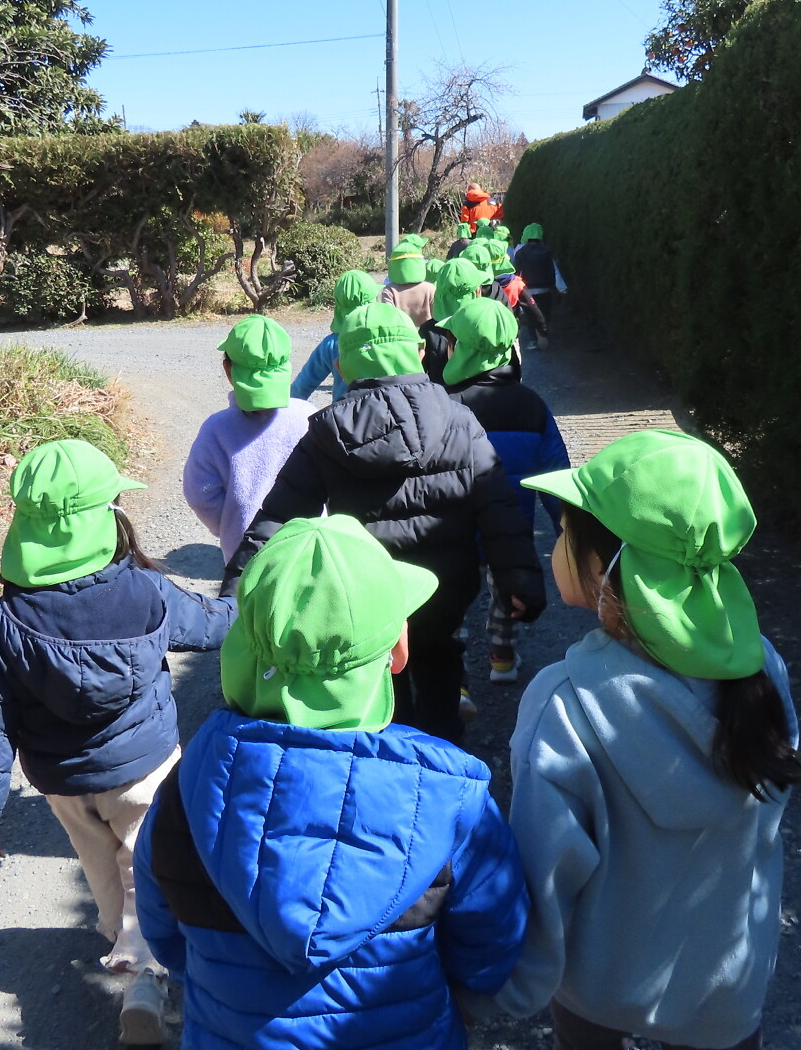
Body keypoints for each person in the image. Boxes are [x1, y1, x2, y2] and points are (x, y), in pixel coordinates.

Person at [135, 515, 528, 1050]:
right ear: (397, 652)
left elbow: (165, 932)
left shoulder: (189, 788)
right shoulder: (448, 795)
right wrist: (463, 994)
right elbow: (492, 937)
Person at [494, 430, 801, 1050]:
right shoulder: (763, 674)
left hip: (600, 969)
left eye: (566, 529)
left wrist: (506, 986)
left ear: (612, 573)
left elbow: (541, 874)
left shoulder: (565, 702)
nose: (554, 540)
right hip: (720, 976)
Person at [0, 438, 235, 1045]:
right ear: (104, 520)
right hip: (144, 768)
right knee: (146, 865)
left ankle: (118, 935)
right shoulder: (146, 591)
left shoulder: (3, 623)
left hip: (64, 784)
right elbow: (213, 627)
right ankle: (144, 974)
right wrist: (246, 600)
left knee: (100, 867)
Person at [223, 301, 545, 744]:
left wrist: (234, 592)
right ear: (419, 353)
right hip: (445, 586)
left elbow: (278, 517)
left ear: (340, 366)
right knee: (441, 660)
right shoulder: (459, 419)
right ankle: (444, 747)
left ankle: (389, 743)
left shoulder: (327, 432)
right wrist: (519, 578)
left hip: (365, 595)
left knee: (378, 673)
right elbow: (498, 505)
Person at [441, 300, 569, 685]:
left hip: (454, 529)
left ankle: (455, 677)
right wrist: (567, 530)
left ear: (461, 349)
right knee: (505, 593)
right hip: (512, 527)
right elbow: (556, 475)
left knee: (453, 598)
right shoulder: (532, 405)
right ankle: (501, 658)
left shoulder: (443, 406)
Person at [182, 315, 313, 564]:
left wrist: (230, 525)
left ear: (228, 370)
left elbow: (199, 495)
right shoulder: (309, 416)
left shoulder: (215, 429)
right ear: (286, 367)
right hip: (308, 550)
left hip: (245, 556)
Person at [290, 269, 378, 406]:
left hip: (344, 414)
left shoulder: (331, 344)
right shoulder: (388, 337)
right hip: (385, 412)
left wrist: (284, 412)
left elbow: (302, 386)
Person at [419, 255, 492, 385]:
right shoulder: (485, 324)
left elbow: (422, 370)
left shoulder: (428, 330)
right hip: (481, 392)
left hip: (441, 394)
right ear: (477, 292)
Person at [481, 238, 548, 349]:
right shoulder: (516, 283)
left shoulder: (478, 285)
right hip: (510, 331)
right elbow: (532, 307)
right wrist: (542, 328)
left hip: (486, 332)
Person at [512, 222, 566, 332]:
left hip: (527, 291)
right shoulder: (547, 251)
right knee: (545, 317)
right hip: (545, 290)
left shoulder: (520, 253)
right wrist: (557, 289)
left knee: (530, 318)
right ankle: (543, 334)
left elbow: (517, 274)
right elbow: (553, 271)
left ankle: (533, 338)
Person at [378, 242, 436, 327]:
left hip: (401, 333)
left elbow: (389, 316)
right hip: (427, 333)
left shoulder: (389, 290)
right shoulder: (430, 288)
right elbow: (436, 316)